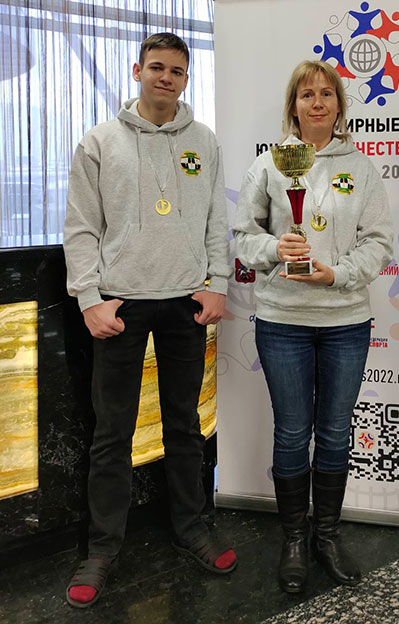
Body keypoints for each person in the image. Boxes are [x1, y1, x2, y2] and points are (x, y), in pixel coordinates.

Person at [63, 33, 236, 608]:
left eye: (177, 70)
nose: (166, 77)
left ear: (187, 79)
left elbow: (216, 220)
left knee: (185, 426)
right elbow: (81, 226)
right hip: (121, 302)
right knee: (112, 433)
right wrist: (89, 297)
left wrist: (218, 282)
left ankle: (191, 527)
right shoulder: (99, 141)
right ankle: (102, 548)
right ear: (137, 71)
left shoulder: (203, 141)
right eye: (157, 67)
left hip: (186, 299)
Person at [233, 60, 393, 593]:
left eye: (327, 94)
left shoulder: (362, 169)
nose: (317, 102)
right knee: (291, 432)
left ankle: (326, 535)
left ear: (339, 106)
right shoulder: (269, 165)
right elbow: (243, 237)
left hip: (345, 321)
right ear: (294, 105)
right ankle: (294, 540)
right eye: (307, 94)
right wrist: (274, 247)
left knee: (335, 431)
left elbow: (379, 241)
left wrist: (338, 274)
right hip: (282, 321)